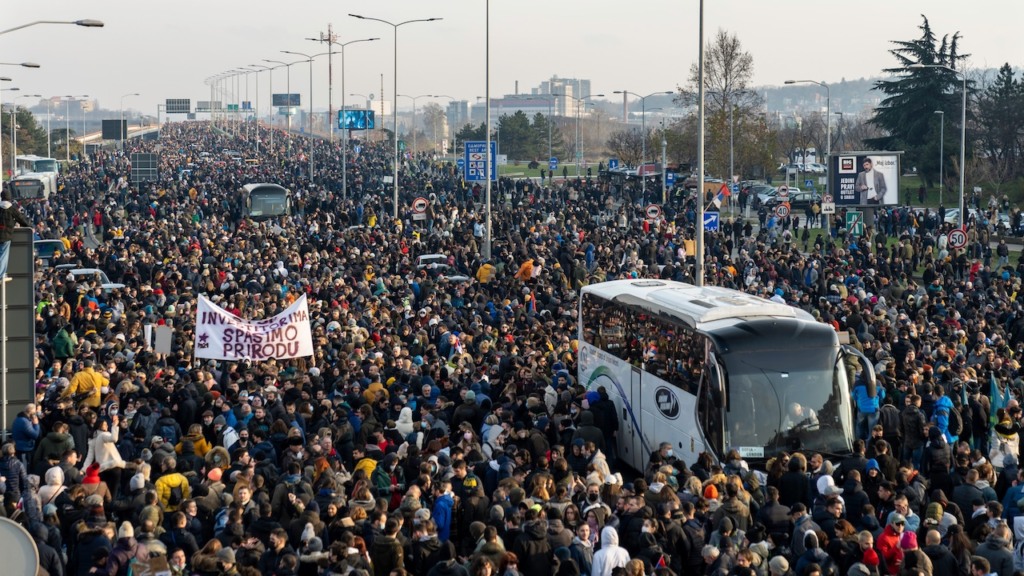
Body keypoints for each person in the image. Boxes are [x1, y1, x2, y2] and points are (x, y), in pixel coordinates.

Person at [0, 189, 31, 278]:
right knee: (4, 255)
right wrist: (29, 227)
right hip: (7, 235)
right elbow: (21, 219)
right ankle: (1, 274)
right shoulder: (12, 209)